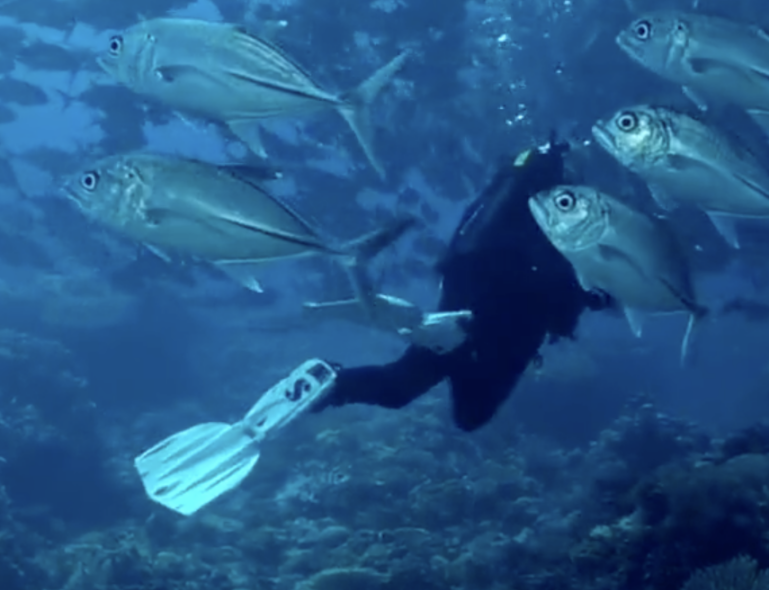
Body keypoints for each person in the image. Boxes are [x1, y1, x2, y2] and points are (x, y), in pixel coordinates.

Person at [136, 141, 600, 514]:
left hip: (468, 299)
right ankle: (442, 343)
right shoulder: (560, 212)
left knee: (401, 385)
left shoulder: (508, 194)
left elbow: (478, 255)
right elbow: (557, 285)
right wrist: (592, 297)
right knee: (466, 412)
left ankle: (330, 382)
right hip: (498, 319)